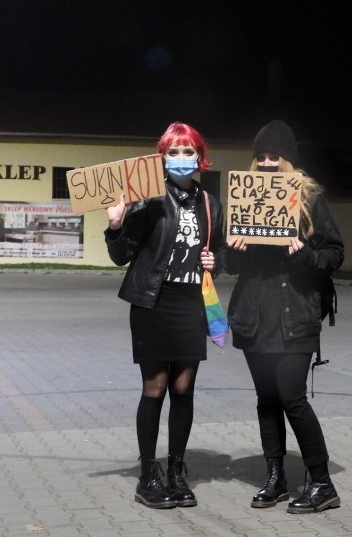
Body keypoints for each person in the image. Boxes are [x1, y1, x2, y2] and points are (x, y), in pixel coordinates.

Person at [219, 120, 344, 514]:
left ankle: (322, 481)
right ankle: (275, 478)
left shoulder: (311, 200)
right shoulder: (244, 198)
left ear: (289, 160)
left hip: (297, 316)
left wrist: (303, 253)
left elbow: (334, 254)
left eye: (275, 156)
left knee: (292, 397)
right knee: (267, 399)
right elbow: (228, 262)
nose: (268, 163)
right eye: (261, 157)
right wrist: (233, 250)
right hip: (254, 318)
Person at [105, 122, 226, 509]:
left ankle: (176, 471)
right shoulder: (148, 200)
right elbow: (121, 255)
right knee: (155, 388)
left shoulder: (211, 203)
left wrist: (216, 260)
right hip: (153, 301)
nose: (179, 159)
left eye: (186, 151)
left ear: (199, 157)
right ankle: (147, 475)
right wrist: (115, 224)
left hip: (192, 302)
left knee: (184, 389)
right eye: (171, 152)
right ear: (161, 158)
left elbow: (219, 252)